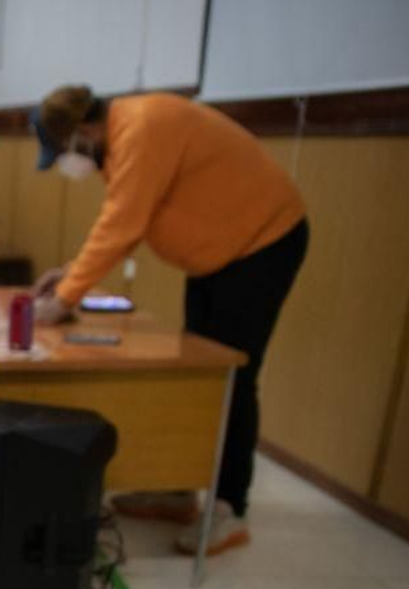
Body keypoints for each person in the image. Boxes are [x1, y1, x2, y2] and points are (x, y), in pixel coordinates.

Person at [30, 85, 308, 556]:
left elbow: (123, 223)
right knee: (197, 373)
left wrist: (63, 300)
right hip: (218, 258)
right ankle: (182, 491)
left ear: (82, 132)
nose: (67, 162)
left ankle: (228, 507)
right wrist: (69, 276)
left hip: (263, 244)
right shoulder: (121, 139)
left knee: (232, 377)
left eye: (62, 152)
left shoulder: (141, 127)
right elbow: (122, 216)